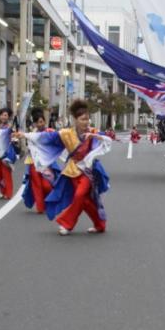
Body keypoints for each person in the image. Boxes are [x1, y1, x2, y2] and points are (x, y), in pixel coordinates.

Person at [24, 99, 112, 236]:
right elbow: (47, 137)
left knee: (79, 195)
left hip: (88, 171)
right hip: (72, 170)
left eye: (87, 119)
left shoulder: (92, 132)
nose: (86, 122)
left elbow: (106, 139)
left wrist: (94, 135)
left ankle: (66, 223)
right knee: (84, 200)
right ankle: (100, 224)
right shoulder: (66, 133)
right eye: (83, 119)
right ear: (76, 120)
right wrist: (25, 135)